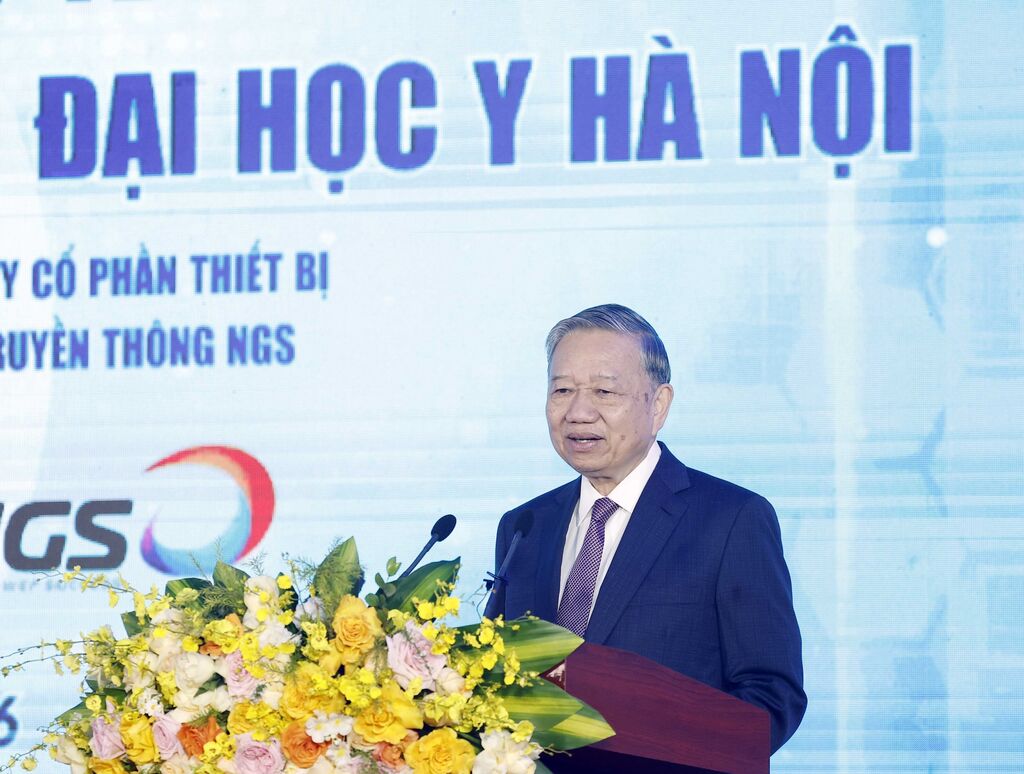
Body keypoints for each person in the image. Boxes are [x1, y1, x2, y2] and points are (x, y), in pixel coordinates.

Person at [493, 303, 806, 754]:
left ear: (658, 405)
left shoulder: (732, 520)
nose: (578, 412)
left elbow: (771, 698)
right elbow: (496, 682)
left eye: (604, 391)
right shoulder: (524, 526)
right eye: (562, 390)